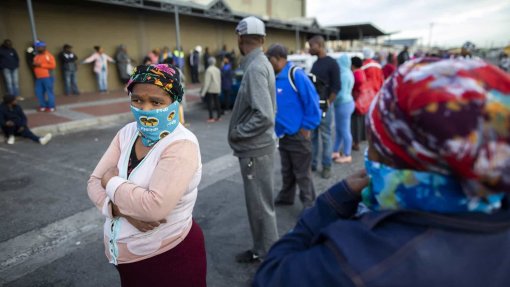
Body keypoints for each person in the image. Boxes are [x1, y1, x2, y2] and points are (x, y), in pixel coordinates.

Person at [253, 58, 510, 287]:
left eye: (374, 143)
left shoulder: (353, 260)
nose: (369, 156)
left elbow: (270, 276)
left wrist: (329, 204)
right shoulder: (495, 202)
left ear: (401, 155)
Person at [87, 63, 206, 287]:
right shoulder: (127, 133)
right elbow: (93, 182)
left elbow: (153, 208)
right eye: (138, 100)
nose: (146, 109)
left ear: (174, 102)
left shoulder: (181, 144)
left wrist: (110, 181)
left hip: (170, 257)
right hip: (126, 261)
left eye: (156, 102)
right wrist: (120, 210)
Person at [229, 16, 278, 263]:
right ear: (262, 39)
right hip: (258, 148)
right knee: (260, 205)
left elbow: (264, 115)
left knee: (260, 207)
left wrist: (238, 132)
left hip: (256, 150)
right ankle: (262, 249)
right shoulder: (260, 63)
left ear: (240, 38)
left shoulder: (256, 67)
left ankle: (267, 257)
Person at [266, 43, 321, 209]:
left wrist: (307, 127)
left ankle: (309, 204)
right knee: (287, 170)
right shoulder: (274, 77)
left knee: (302, 173)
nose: (268, 63)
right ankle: (287, 196)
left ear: (280, 59)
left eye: (270, 59)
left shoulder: (295, 74)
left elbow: (312, 102)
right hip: (283, 134)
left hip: (298, 134)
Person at [308, 35, 340, 179]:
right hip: (314, 107)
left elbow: (336, 88)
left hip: (324, 107)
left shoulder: (332, 63)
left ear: (319, 45)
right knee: (313, 136)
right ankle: (313, 164)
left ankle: (326, 166)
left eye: (311, 45)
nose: (309, 48)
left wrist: (326, 104)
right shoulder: (315, 64)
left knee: (326, 136)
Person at [331, 54, 355, 164]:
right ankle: (335, 151)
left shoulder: (343, 75)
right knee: (340, 130)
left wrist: (331, 99)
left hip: (342, 104)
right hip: (348, 102)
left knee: (344, 130)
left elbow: (340, 93)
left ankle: (347, 154)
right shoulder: (349, 73)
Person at [33, 41, 56, 112]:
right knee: (39, 92)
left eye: (39, 47)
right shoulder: (36, 56)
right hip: (38, 77)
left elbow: (53, 66)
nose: (38, 48)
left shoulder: (49, 55)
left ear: (44, 47)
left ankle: (51, 107)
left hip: (48, 77)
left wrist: (41, 65)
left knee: (49, 92)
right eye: (37, 47)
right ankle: (43, 105)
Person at [350, 56, 367, 151]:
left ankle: (356, 143)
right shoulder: (362, 72)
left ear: (352, 65)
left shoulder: (355, 74)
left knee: (355, 123)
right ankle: (357, 141)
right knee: (359, 122)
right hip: (361, 100)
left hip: (356, 100)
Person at [201, 57, 222, 122]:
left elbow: (207, 82)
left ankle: (211, 117)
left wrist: (203, 93)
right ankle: (219, 116)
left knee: (210, 103)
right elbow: (219, 80)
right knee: (217, 102)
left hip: (210, 89)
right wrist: (219, 89)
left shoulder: (208, 70)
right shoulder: (217, 69)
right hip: (217, 88)